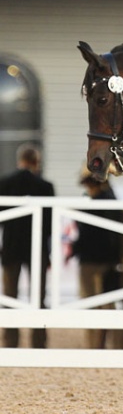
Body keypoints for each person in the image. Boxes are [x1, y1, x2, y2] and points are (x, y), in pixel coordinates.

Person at [0, 144, 55, 347]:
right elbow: (49, 224)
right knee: (39, 297)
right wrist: (48, 252)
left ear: (19, 160)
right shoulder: (45, 186)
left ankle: (10, 342)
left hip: (10, 248)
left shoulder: (5, 183)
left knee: (9, 297)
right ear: (36, 162)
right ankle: (38, 342)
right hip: (36, 249)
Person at [69, 166, 123, 348]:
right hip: (107, 260)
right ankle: (108, 345)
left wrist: (74, 249)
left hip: (92, 261)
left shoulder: (94, 203)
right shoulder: (111, 199)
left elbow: (87, 235)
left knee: (93, 304)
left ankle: (94, 346)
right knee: (107, 305)